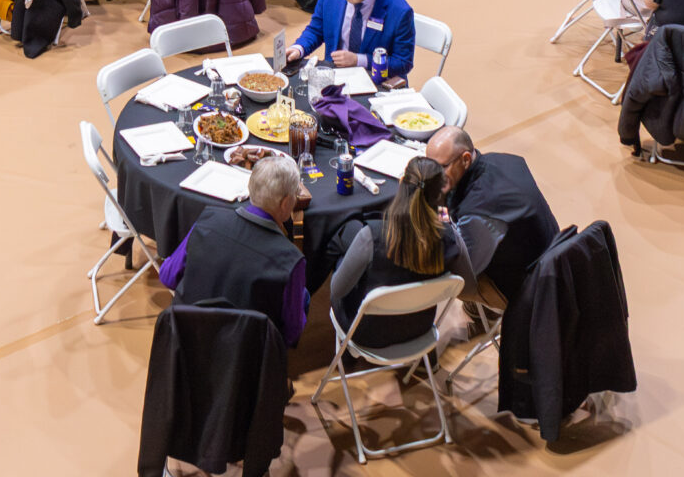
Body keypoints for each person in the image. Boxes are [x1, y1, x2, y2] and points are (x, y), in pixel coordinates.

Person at [156, 154, 309, 346]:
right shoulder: (291, 261)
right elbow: (291, 335)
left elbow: (168, 276)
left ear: (250, 188)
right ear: (286, 203)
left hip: (185, 349)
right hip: (245, 364)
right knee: (303, 297)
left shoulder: (208, 220)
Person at [328, 155, 475, 349]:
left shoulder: (371, 236)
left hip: (365, 334)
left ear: (401, 184)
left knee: (341, 248)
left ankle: (346, 355)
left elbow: (336, 291)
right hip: (419, 330)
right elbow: (469, 288)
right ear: (441, 192)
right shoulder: (450, 237)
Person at [424, 124, 560, 304]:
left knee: (431, 273)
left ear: (465, 159)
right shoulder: (500, 160)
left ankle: (483, 316)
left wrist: (439, 209)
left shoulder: (479, 214)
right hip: (549, 258)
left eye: (442, 167)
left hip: (529, 290)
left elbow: (465, 271)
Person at [288, 0, 416, 81]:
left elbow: (403, 63)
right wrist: (299, 48)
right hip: (335, 77)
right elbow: (316, 30)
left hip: (375, 80)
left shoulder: (399, 11)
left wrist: (359, 60)